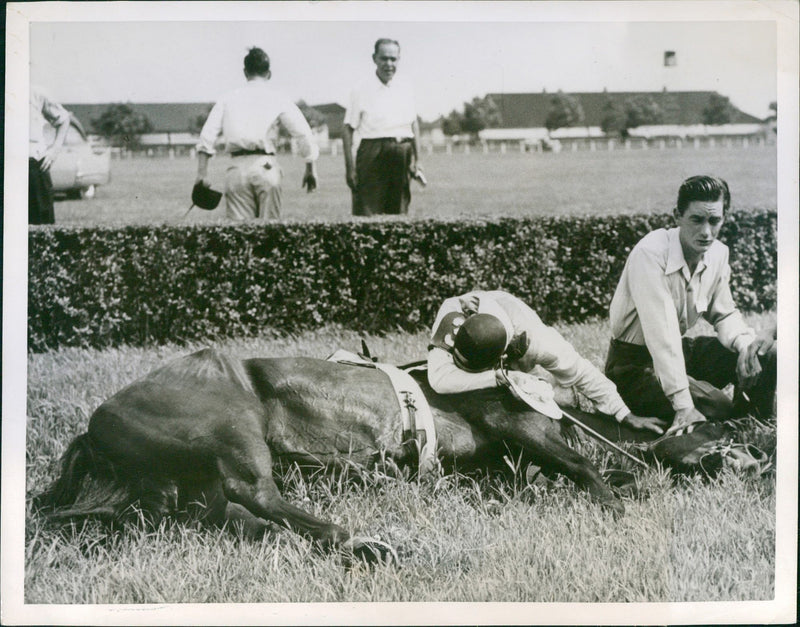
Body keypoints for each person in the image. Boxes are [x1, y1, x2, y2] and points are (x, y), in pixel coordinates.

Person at [606, 175, 777, 437]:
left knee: (767, 355)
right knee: (717, 404)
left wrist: (745, 349)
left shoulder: (718, 253)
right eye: (697, 219)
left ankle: (749, 424)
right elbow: (662, 337)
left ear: (724, 217)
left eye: (714, 220)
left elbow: (724, 314)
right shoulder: (650, 254)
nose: (706, 231)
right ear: (678, 216)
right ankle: (723, 422)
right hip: (632, 369)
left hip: (680, 354)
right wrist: (683, 404)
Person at [427, 290, 664, 433]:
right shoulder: (452, 317)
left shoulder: (537, 339)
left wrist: (624, 414)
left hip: (516, 349)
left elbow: (581, 372)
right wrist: (496, 378)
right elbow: (439, 379)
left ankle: (561, 395)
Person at [196, 47, 319, 220]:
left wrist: (202, 174)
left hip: (236, 170)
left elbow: (207, 136)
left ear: (245, 72)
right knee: (269, 236)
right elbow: (303, 134)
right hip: (266, 167)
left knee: (240, 237)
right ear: (269, 74)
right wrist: (310, 167)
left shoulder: (228, 98)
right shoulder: (278, 97)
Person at [342, 38, 422, 216]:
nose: (389, 64)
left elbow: (413, 124)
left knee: (399, 212)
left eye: (393, 59)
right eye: (384, 58)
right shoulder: (361, 89)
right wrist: (350, 168)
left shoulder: (406, 87)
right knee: (368, 212)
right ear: (374, 58)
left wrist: (418, 160)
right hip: (372, 151)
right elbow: (347, 129)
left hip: (402, 150)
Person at [29, 85, 71, 225]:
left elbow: (63, 119)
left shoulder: (35, 93)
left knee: (42, 228)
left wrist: (55, 150)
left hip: (33, 167)